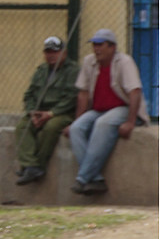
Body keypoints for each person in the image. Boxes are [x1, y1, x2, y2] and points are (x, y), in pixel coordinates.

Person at [67, 29, 144, 195]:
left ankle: (82, 179)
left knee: (103, 124)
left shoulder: (124, 62)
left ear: (112, 47)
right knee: (76, 128)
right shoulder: (89, 62)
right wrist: (77, 119)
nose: (96, 49)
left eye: (100, 45)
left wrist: (130, 121)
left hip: (123, 107)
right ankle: (96, 179)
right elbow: (83, 93)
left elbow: (135, 92)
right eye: (94, 45)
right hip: (98, 109)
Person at [14, 36, 78, 185]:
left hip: (62, 112)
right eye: (48, 52)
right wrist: (32, 112)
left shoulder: (73, 71)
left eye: (55, 52)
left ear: (64, 52)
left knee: (51, 127)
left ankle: (38, 166)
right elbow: (29, 94)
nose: (51, 55)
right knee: (22, 127)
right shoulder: (41, 71)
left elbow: (71, 98)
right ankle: (30, 165)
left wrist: (50, 114)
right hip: (39, 111)